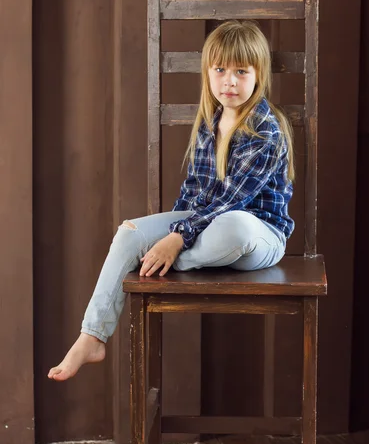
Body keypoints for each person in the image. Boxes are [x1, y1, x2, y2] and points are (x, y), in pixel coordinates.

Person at [48, 19, 295, 382]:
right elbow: (195, 196)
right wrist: (165, 229)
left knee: (233, 226)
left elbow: (228, 202)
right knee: (129, 232)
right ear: (208, 72)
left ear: (258, 75)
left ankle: (156, 262)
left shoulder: (265, 130)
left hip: (256, 237)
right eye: (220, 69)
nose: (229, 80)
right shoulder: (210, 121)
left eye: (241, 71)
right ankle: (92, 336)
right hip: (204, 225)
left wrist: (176, 238)